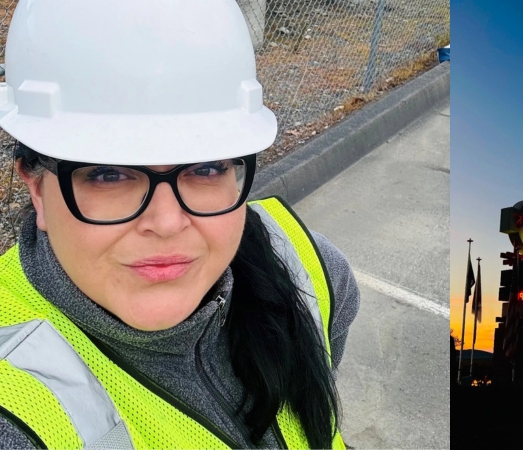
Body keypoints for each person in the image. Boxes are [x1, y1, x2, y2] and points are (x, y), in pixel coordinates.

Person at [0, 1, 359, 449]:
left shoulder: (313, 271)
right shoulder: (14, 408)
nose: (168, 223)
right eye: (109, 174)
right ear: (36, 188)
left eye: (207, 168)